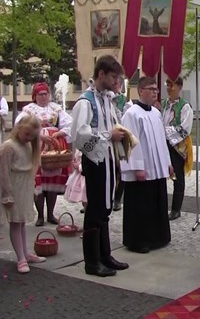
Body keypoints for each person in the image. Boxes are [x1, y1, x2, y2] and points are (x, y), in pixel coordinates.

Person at [71, 55, 129, 277]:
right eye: (113, 76)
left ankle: (105, 255)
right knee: (95, 208)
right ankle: (92, 262)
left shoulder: (106, 99)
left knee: (105, 207)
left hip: (108, 158)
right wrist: (108, 135)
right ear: (101, 74)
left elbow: (112, 123)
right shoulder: (85, 102)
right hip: (95, 159)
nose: (116, 81)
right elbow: (79, 135)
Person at [120, 76, 172, 254]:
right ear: (141, 91)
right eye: (151, 89)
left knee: (157, 202)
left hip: (157, 168)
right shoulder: (132, 114)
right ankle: (139, 240)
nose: (155, 92)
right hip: (142, 169)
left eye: (156, 89)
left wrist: (168, 163)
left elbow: (162, 141)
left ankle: (159, 237)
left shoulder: (156, 113)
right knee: (141, 206)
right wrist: (137, 167)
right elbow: (130, 142)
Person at [16, 82, 72, 227]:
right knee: (39, 181)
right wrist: (39, 136)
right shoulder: (29, 110)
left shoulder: (56, 109)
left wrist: (58, 133)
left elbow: (69, 124)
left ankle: (51, 214)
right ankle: (40, 215)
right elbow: (20, 126)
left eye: (46, 93)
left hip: (54, 145)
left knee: (52, 181)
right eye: (41, 94)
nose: (44, 96)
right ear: (35, 96)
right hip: (36, 146)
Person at [0, 115, 47, 273]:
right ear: (18, 129)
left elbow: (31, 170)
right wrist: (6, 194)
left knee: (21, 223)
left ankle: (25, 253)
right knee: (15, 223)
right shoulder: (8, 146)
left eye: (32, 136)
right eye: (27, 134)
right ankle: (20, 258)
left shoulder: (28, 146)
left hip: (24, 188)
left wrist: (33, 188)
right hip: (14, 189)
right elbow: (3, 172)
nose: (29, 139)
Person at [161, 77, 193, 220]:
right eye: (167, 84)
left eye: (171, 85)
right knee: (160, 175)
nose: (168, 87)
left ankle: (176, 209)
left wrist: (165, 132)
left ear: (179, 86)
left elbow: (185, 128)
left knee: (178, 177)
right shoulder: (162, 105)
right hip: (162, 144)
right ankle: (160, 206)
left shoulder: (185, 106)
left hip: (177, 145)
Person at [111, 76, 132, 212]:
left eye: (117, 83)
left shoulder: (125, 101)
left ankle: (118, 199)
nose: (116, 85)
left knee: (121, 169)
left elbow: (128, 120)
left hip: (120, 137)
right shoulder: (105, 98)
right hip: (107, 139)